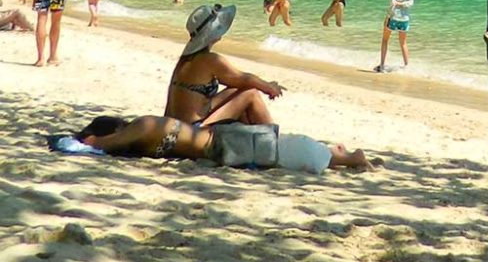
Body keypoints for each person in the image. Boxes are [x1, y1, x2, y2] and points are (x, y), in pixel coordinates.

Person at [72, 113, 372, 171]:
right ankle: (339, 154)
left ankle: (348, 157)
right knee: (279, 151)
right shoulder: (140, 143)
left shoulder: (142, 126)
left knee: (283, 150)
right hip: (220, 146)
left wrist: (93, 140)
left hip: (221, 140)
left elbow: (104, 145)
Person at [165, 3, 285, 126]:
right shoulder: (210, 60)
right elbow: (243, 78)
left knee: (236, 91)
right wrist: (270, 88)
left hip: (175, 126)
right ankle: (271, 139)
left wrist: (265, 86)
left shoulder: (185, 60)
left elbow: (238, 82)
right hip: (193, 130)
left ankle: (251, 140)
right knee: (251, 94)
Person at [375, 0, 413, 70]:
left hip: (393, 16)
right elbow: (410, 3)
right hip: (404, 18)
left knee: (385, 40)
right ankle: (406, 66)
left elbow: (392, 1)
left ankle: (382, 65)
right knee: (403, 42)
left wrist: (397, 3)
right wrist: (401, 3)